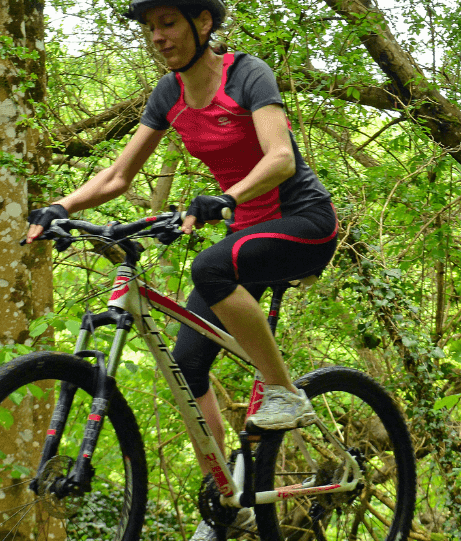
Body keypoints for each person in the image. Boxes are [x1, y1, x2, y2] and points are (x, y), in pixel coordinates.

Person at [25, 0, 336, 434]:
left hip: (304, 222)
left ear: (203, 22)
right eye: (151, 27)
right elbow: (118, 175)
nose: (157, 36)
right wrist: (63, 206)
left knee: (208, 267)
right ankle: (226, 490)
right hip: (245, 234)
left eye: (168, 23)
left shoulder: (246, 74)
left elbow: (281, 158)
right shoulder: (169, 94)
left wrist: (226, 197)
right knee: (187, 365)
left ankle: (284, 392)